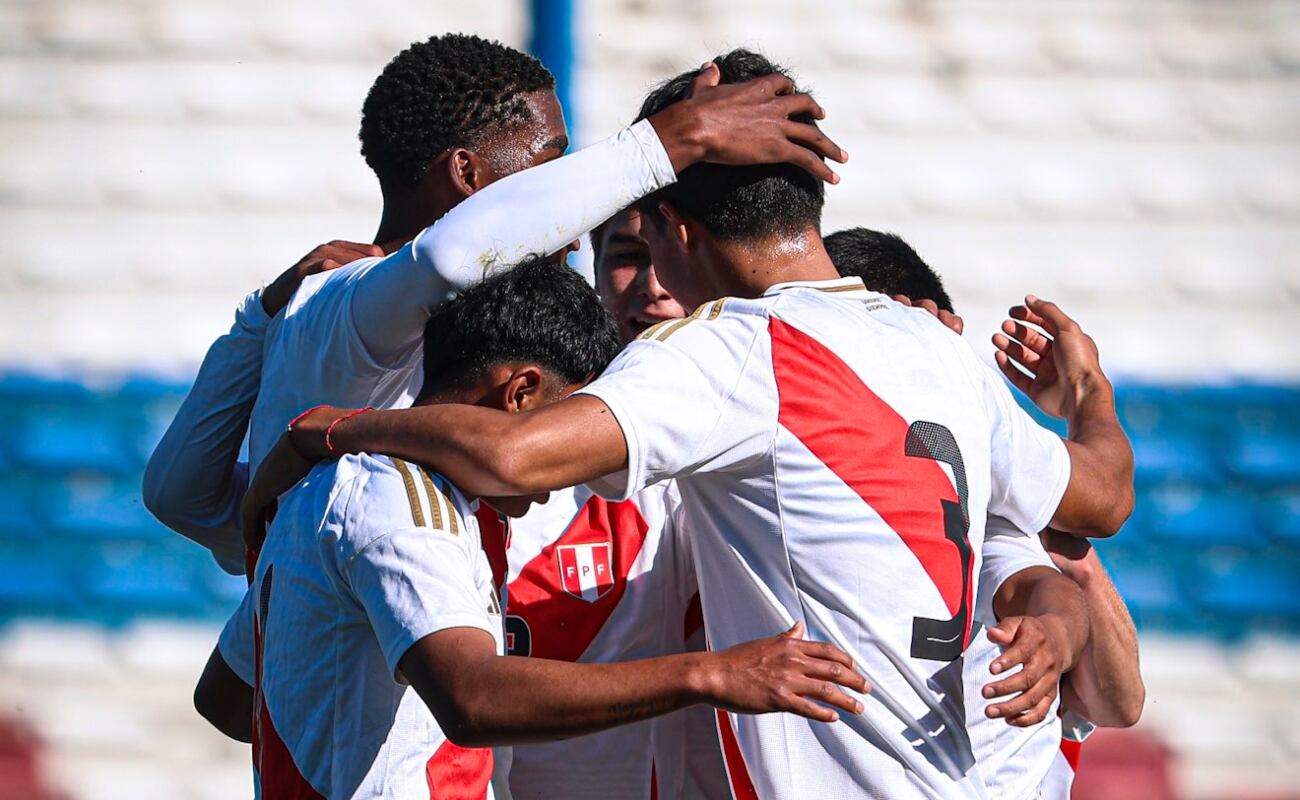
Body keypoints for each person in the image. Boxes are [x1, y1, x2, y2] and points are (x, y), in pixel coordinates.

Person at [249, 50, 1135, 799]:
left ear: (672, 224)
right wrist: (1087, 390)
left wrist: (335, 429)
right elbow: (1098, 499)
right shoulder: (937, 352)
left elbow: (513, 458)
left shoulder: (730, 355)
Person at [142, 33, 846, 574]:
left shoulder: (339, 315)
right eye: (550, 170)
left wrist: (256, 320)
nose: (569, 214)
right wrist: (675, 140)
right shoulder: (356, 303)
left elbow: (181, 496)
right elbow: (451, 255)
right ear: (468, 177)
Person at [197, 258, 868, 799]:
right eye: (561, 426)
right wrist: (712, 674)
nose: (562, 465)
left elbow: (226, 698)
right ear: (519, 394)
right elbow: (473, 697)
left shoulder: (335, 487)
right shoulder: (397, 496)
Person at [825, 226, 1145, 798]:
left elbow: (1119, 701)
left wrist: (1068, 566)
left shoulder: (979, 484)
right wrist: (1084, 388)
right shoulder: (807, 482)